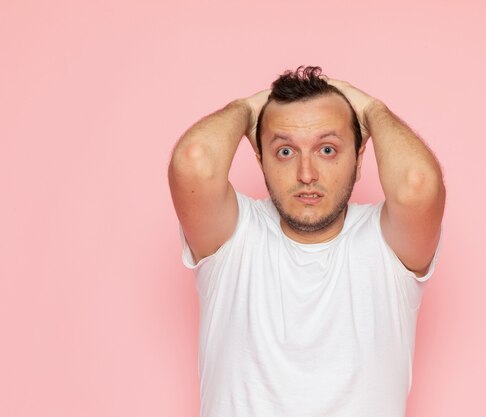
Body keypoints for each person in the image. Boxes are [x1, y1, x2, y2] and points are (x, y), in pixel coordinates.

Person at [168, 66, 446, 417]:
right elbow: (193, 163)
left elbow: (418, 184)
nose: (306, 174)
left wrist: (375, 111)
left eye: (327, 150)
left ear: (359, 160)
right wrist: (246, 110)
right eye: (285, 152)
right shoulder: (233, 236)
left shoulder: (387, 244)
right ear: (261, 160)